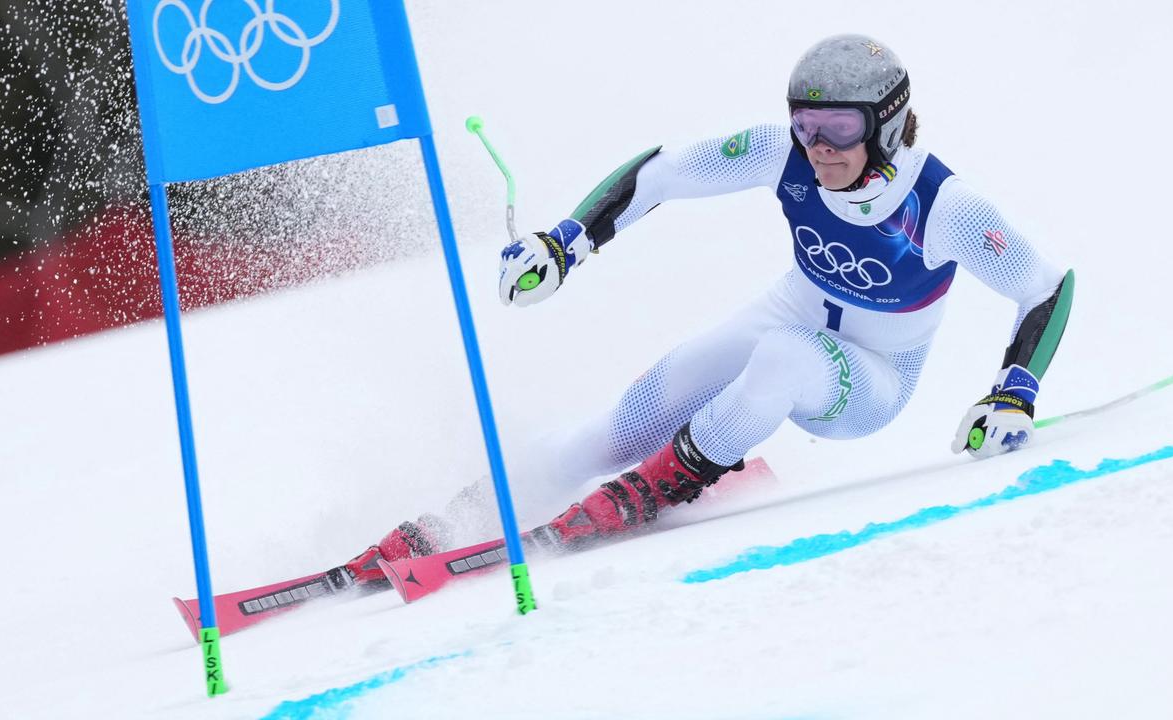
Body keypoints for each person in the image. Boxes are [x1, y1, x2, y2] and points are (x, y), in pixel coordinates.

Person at [346, 33, 1075, 579]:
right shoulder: (781, 153)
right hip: (790, 312)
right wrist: (569, 240)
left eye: (839, 129)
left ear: (886, 122)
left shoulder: (942, 204)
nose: (816, 146)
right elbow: (662, 174)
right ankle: (465, 516)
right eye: (804, 124)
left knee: (784, 359)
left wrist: (1014, 394)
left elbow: (1044, 285)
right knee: (619, 428)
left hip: (871, 378)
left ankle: (666, 482)